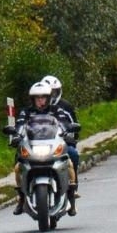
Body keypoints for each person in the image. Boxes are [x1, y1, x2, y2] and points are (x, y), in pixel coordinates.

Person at [11, 79, 80, 216]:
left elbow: (64, 123)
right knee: (18, 165)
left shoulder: (56, 110)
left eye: (43, 98)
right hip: (33, 146)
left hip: (52, 145)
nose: (40, 101)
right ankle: (21, 197)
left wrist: (68, 133)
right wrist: (16, 135)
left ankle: (71, 196)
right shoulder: (26, 112)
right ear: (33, 99)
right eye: (37, 98)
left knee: (70, 161)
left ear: (48, 98)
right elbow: (19, 124)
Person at [41, 74, 82, 202]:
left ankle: (73, 187)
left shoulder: (66, 106)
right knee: (20, 157)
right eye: (49, 92)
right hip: (40, 144)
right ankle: (22, 191)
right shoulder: (36, 107)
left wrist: (71, 138)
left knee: (73, 154)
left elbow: (73, 124)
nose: (52, 95)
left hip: (60, 143)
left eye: (55, 92)